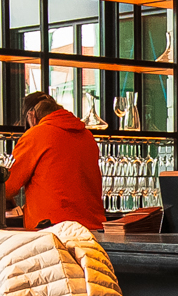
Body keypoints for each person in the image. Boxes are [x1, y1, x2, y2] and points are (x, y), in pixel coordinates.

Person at [7, 91, 107, 231]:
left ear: (32, 116)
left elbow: (7, 187)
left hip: (53, 231)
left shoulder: (36, 135)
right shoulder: (87, 136)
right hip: (92, 230)